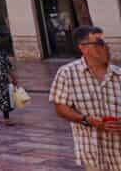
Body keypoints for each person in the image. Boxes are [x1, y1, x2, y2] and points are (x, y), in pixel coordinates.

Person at [50, 25, 121, 170]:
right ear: (83, 48)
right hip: (93, 153)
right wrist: (87, 120)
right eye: (100, 43)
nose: (106, 47)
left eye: (106, 43)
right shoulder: (67, 73)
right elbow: (61, 108)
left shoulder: (119, 74)